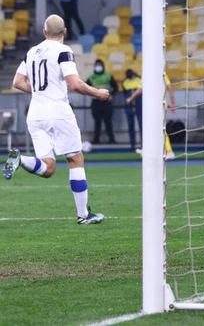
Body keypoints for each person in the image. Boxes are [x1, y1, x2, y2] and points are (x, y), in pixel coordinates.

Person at [3, 14, 109, 224]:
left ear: (44, 32)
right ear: (64, 32)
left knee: (48, 168)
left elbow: (17, 81)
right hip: (58, 113)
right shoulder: (64, 51)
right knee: (75, 160)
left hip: (35, 114)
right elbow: (75, 84)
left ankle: (20, 159)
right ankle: (83, 215)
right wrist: (99, 93)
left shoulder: (32, 51)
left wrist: (41, 92)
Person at [125, 73, 176, 161]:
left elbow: (140, 89)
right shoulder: (161, 73)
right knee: (153, 128)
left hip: (155, 105)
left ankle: (169, 151)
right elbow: (170, 87)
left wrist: (130, 98)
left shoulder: (148, 73)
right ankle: (149, 149)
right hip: (158, 104)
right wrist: (172, 102)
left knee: (158, 129)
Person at [86, 59, 118, 144]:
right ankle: (96, 140)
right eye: (97, 65)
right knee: (97, 122)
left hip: (106, 102)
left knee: (108, 122)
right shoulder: (91, 77)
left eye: (100, 65)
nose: (98, 67)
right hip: (96, 102)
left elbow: (115, 87)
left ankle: (111, 140)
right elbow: (86, 88)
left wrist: (112, 96)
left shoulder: (108, 76)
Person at [122, 69, 143, 151]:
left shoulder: (139, 80)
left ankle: (143, 145)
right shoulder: (125, 82)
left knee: (142, 126)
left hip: (139, 105)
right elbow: (125, 94)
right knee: (131, 127)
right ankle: (132, 145)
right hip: (129, 106)